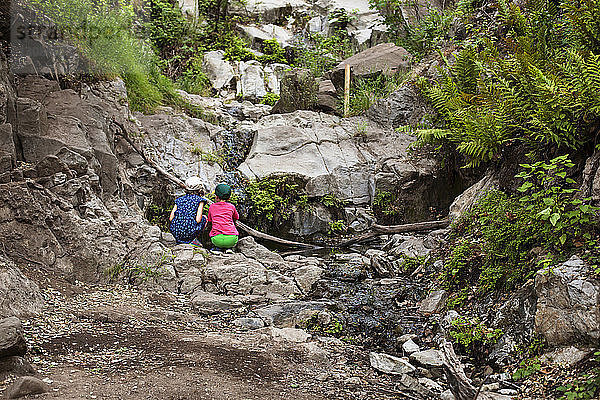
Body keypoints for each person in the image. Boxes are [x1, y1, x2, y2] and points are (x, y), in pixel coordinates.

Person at [169, 176, 208, 245]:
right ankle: (193, 239)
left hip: (175, 232)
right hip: (190, 232)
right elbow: (198, 220)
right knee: (204, 218)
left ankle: (179, 239)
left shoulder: (179, 199)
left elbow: (171, 218)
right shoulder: (200, 200)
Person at [207, 183, 239, 254]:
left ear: (216, 197)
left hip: (217, 240)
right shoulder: (231, 207)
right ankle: (229, 248)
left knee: (214, 234)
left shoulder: (212, 207)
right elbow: (236, 217)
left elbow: (209, 220)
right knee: (231, 234)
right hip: (232, 239)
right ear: (229, 198)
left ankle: (218, 248)